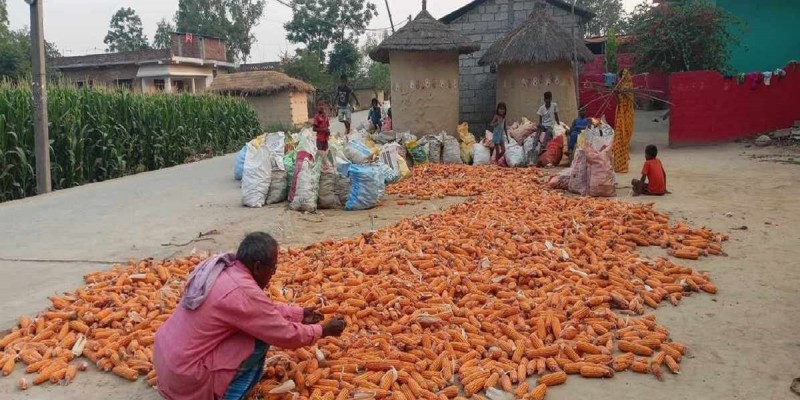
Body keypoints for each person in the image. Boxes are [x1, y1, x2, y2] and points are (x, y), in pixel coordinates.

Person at [154, 232, 347, 400]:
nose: (273, 274)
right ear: (257, 267)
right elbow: (283, 333)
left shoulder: (225, 270)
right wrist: (323, 330)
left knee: (258, 328)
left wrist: (298, 314)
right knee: (259, 338)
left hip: (167, 363)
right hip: (186, 377)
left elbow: (257, 312)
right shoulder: (242, 291)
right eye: (273, 268)